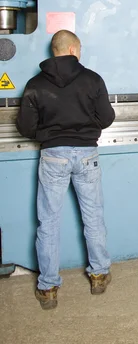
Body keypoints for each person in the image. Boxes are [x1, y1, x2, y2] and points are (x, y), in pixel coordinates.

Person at [16, 29, 115, 310]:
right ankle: (99, 274)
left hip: (53, 156)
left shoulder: (35, 84)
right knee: (93, 217)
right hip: (86, 154)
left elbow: (25, 126)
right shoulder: (92, 79)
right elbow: (107, 118)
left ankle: (47, 287)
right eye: (80, 49)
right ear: (73, 49)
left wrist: (49, 134)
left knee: (48, 222)